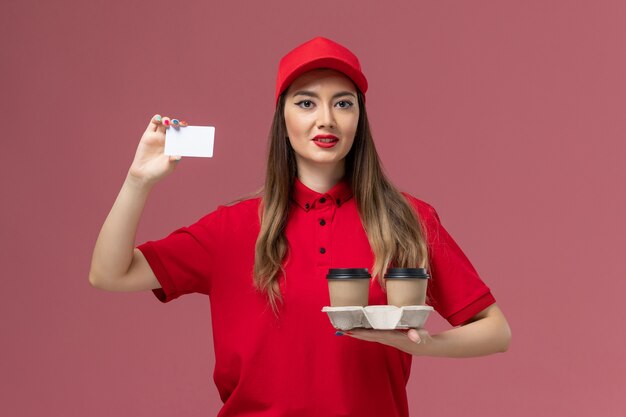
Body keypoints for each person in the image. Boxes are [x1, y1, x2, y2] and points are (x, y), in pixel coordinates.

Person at [89, 36, 512, 417]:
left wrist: (418, 343)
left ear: (359, 119)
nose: (325, 119)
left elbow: (495, 330)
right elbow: (110, 273)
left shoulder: (408, 219)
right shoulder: (231, 228)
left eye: (343, 103)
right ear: (283, 119)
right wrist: (137, 181)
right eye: (306, 102)